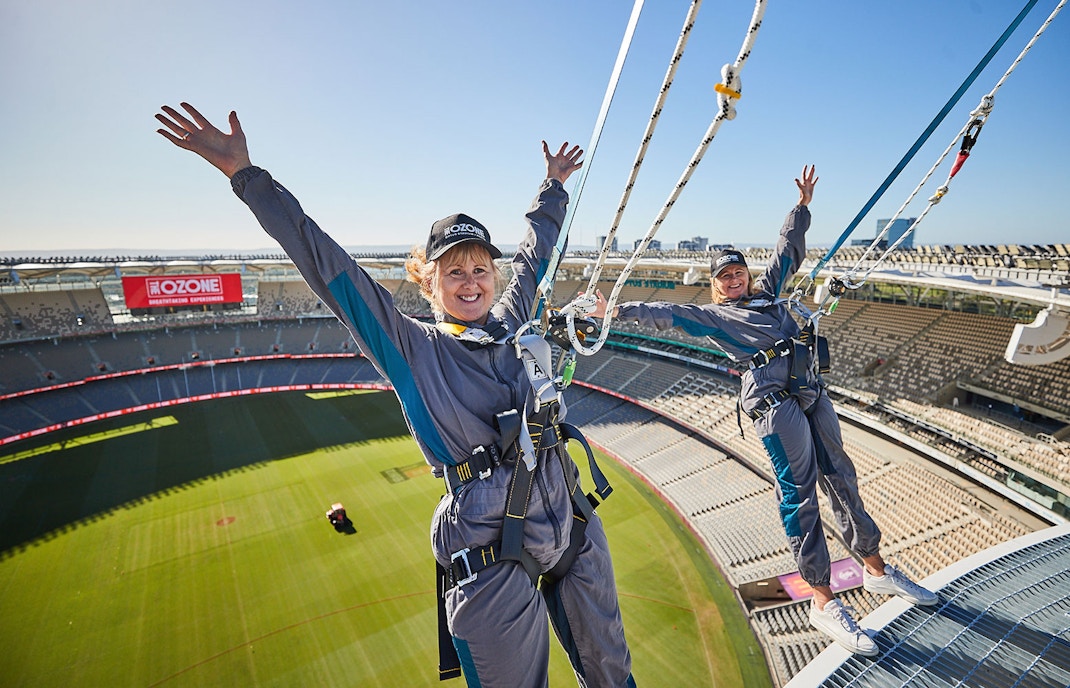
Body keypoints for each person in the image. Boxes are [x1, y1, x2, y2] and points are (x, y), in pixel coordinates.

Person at [156, 103, 635, 687]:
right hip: (490, 546)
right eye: (452, 271)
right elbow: (326, 265)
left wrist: (553, 187)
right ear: (428, 281)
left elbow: (535, 252)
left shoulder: (514, 317)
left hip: (568, 520)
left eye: (480, 268)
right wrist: (247, 177)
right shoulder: (412, 347)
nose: (470, 281)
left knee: (616, 676)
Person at [590, 166, 937, 657]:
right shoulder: (715, 317)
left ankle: (877, 570)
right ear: (715, 286)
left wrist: (802, 207)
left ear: (747, 275)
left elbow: (788, 252)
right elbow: (667, 314)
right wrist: (616, 312)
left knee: (842, 477)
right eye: (724, 277)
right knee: (801, 496)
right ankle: (823, 600)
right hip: (776, 409)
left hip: (811, 393)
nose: (733, 280)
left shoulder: (770, 294)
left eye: (738, 273)